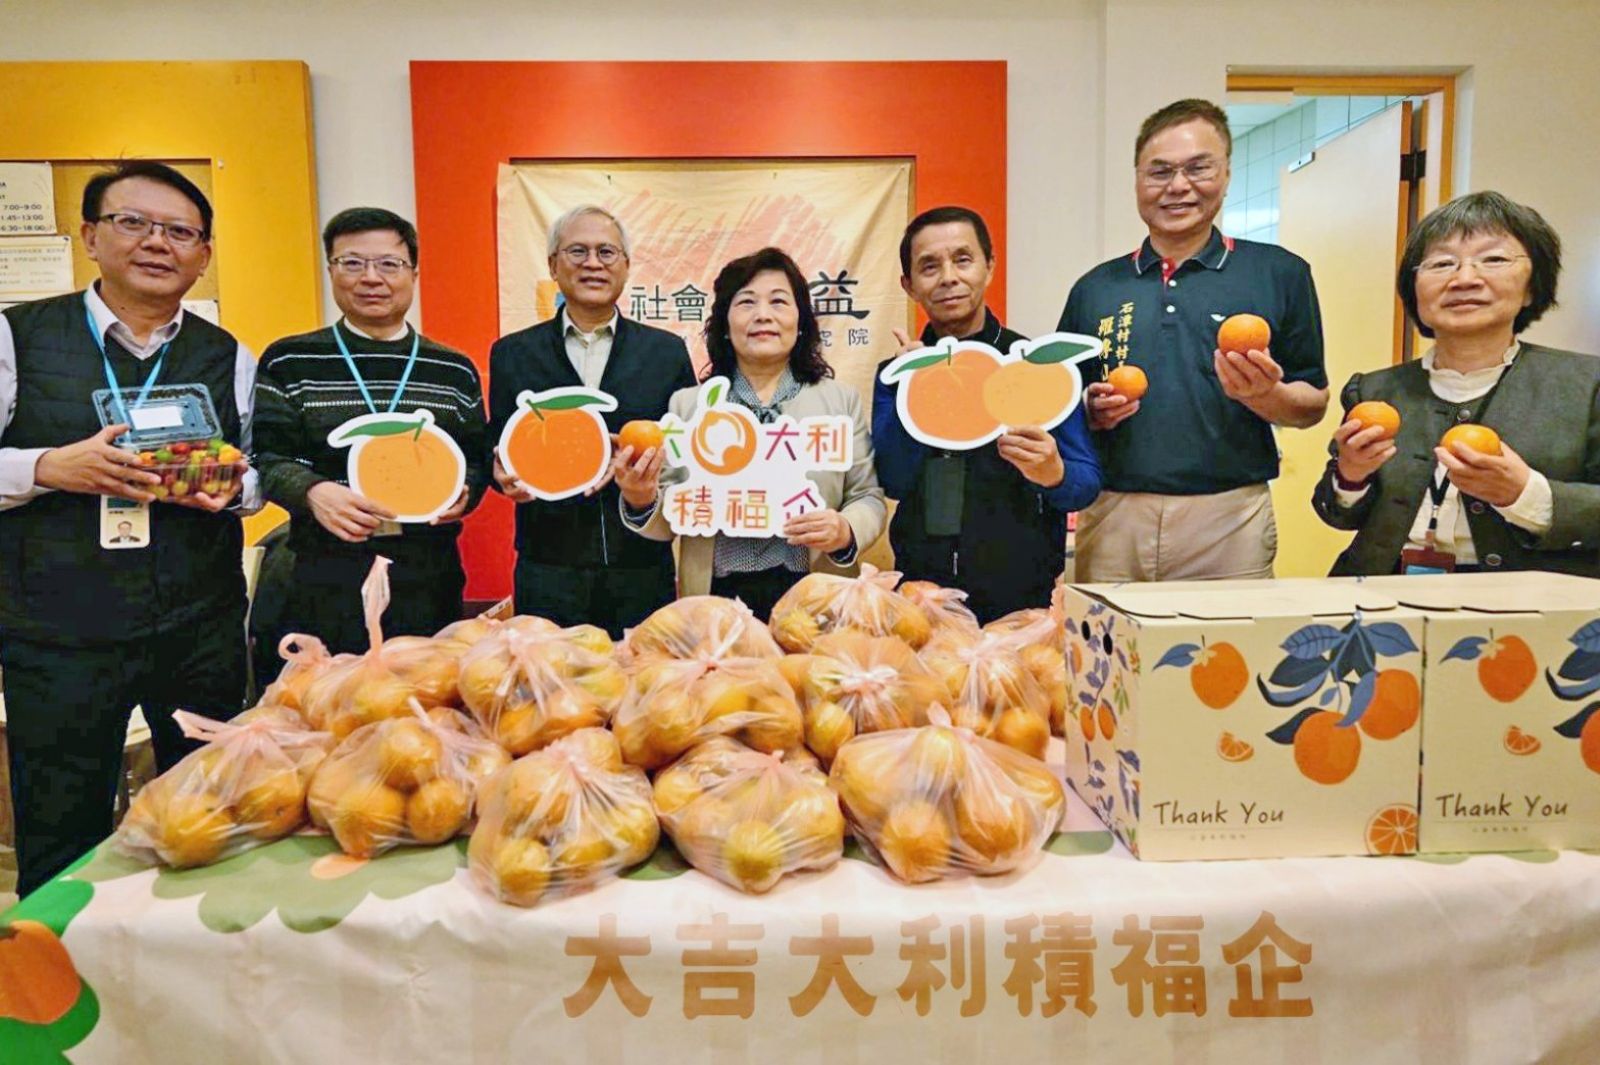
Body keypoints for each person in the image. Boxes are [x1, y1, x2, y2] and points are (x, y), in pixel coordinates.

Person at [0, 161, 259, 896]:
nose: (156, 243)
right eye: (133, 223)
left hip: (197, 628)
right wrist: (49, 466)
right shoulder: (18, 337)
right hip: (58, 635)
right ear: (90, 236)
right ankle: (58, 962)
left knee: (205, 823)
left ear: (203, 254)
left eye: (179, 231)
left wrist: (228, 487)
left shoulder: (227, 354)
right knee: (62, 828)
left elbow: (256, 475)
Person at [1059, 98, 1328, 582]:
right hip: (1114, 510)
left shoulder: (1280, 273)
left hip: (1230, 516)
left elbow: (1312, 404)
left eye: (1198, 168)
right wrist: (1092, 412)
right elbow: (1061, 405)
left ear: (1226, 173)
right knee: (1103, 632)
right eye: (1159, 171)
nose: (1178, 186)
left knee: (1230, 634)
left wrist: (1265, 395)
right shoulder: (1094, 288)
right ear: (1137, 181)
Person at [1313, 191, 1600, 576]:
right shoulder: (1373, 390)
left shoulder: (1588, 385)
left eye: (1494, 259)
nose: (1464, 279)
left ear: (1533, 286)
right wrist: (1350, 475)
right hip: (1383, 591)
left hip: (1533, 600)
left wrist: (1526, 495)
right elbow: (1338, 514)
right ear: (1414, 290)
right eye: (1442, 263)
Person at [254, 207, 489, 653]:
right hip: (324, 572)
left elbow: (475, 457)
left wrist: (466, 493)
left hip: (427, 571)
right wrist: (313, 492)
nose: (371, 278)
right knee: (327, 692)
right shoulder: (290, 360)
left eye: (388, 264)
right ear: (331, 270)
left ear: (413, 274)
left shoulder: (452, 368)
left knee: (426, 689)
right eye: (352, 263)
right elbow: (266, 457)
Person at [615, 247, 886, 620]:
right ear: (725, 325)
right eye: (746, 302)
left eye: (779, 301)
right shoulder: (688, 406)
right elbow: (671, 517)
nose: (763, 315)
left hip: (816, 593)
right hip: (715, 598)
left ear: (801, 321)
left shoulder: (839, 401)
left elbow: (867, 496)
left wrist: (845, 529)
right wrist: (641, 498)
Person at [873, 206, 1100, 622]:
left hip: (1022, 595)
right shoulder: (896, 375)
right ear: (909, 285)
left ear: (989, 266)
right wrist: (918, 388)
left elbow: (1084, 485)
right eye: (929, 266)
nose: (948, 277)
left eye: (963, 259)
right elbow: (894, 480)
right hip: (923, 596)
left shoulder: (1036, 366)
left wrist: (1053, 472)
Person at [488, 205, 696, 637]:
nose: (593, 264)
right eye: (577, 251)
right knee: (548, 678)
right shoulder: (513, 353)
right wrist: (500, 474)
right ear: (553, 266)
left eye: (606, 252)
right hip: (548, 564)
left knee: (646, 675)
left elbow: (687, 449)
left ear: (626, 266)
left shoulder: (665, 352)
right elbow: (499, 444)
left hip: (641, 563)